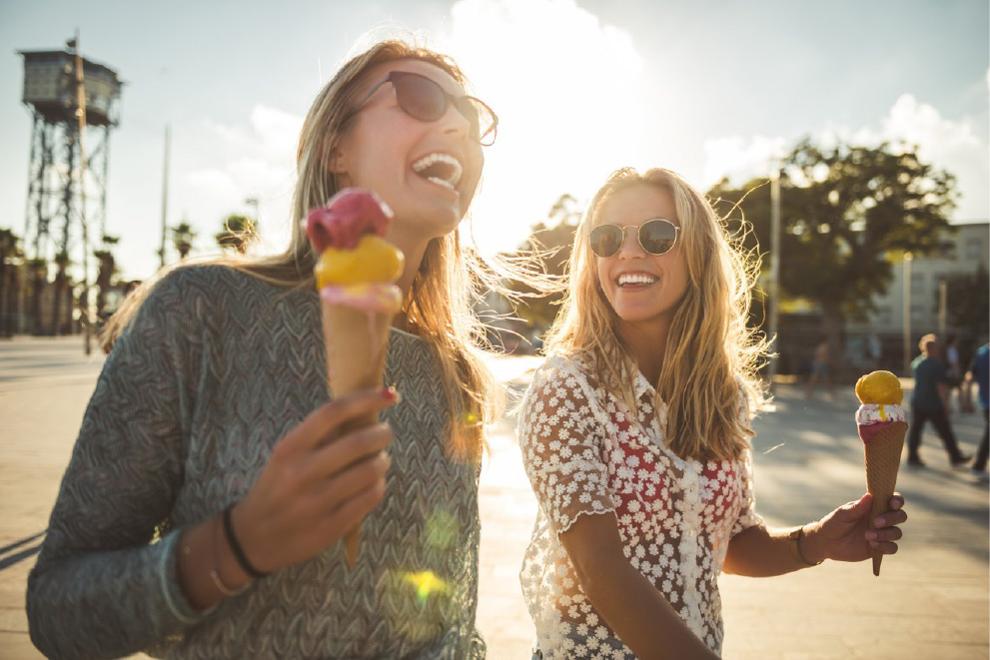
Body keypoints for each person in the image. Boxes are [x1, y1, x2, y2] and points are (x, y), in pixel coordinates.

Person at [27, 39, 502, 659]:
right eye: (420, 97)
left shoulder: (455, 371)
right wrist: (237, 545)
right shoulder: (201, 311)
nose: (458, 126)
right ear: (335, 148)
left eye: (473, 116)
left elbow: (452, 622)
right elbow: (58, 610)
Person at [517, 168, 908, 659]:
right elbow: (602, 572)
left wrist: (816, 542)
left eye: (657, 235)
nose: (628, 252)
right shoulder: (565, 389)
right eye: (608, 237)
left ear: (698, 255)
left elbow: (731, 544)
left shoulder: (724, 393)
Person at [906, 333, 971, 468]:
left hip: (918, 401)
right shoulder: (936, 364)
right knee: (945, 431)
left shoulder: (917, 363)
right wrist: (946, 404)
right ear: (933, 349)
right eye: (937, 347)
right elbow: (941, 386)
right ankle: (955, 457)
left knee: (915, 431)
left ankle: (912, 457)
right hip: (933, 403)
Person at [965, 342, 989, 480]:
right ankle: (978, 465)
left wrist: (967, 398)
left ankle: (978, 465)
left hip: (985, 401)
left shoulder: (981, 352)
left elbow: (969, 376)